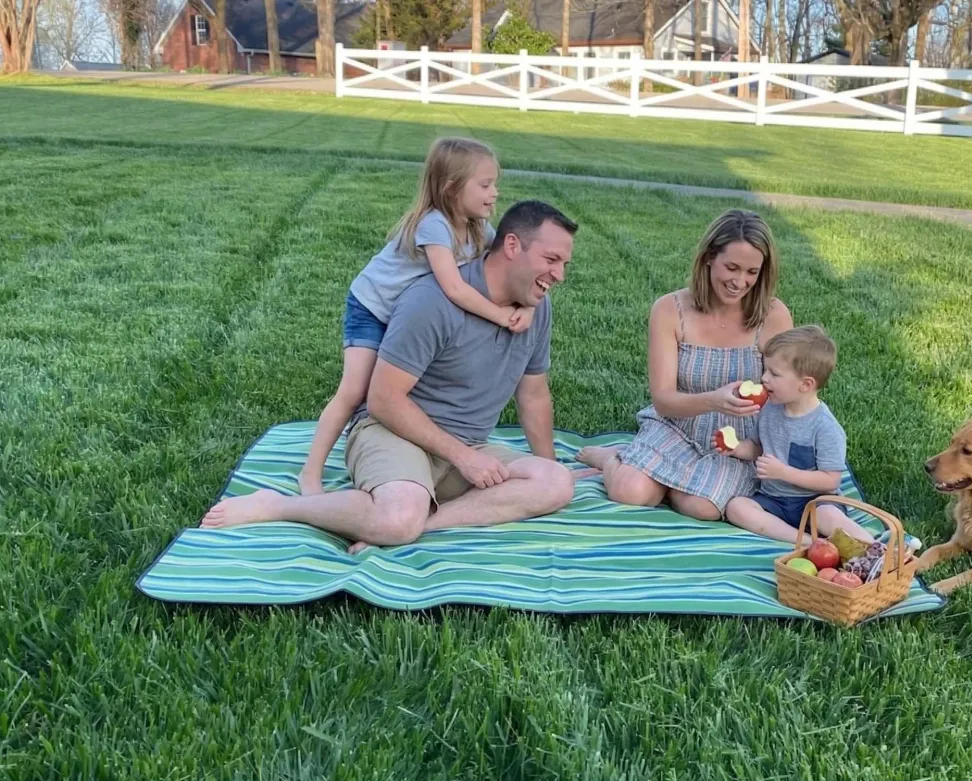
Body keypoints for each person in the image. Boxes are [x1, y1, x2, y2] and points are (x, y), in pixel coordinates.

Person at [201, 200, 578, 552]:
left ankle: (419, 524)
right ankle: (279, 506)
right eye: (551, 259)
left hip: (468, 449)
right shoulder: (432, 302)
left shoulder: (536, 310)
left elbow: (533, 397)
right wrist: (462, 457)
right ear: (511, 246)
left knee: (557, 482)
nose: (558, 275)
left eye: (564, 264)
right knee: (399, 517)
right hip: (395, 434)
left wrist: (545, 465)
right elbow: (383, 400)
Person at [299, 137, 536, 495]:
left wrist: (528, 305)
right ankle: (311, 473)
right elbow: (454, 288)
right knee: (354, 390)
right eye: (485, 185)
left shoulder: (478, 228)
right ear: (451, 187)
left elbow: (510, 264)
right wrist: (502, 317)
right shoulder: (434, 225)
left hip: (406, 316)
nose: (495, 193)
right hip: (374, 308)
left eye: (495, 184)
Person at [577, 209, 794, 520]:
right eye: (731, 267)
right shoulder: (670, 309)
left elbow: (786, 392)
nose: (739, 281)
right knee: (631, 492)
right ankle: (612, 458)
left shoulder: (773, 315)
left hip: (737, 438)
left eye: (751, 272)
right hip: (677, 424)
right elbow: (663, 401)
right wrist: (714, 400)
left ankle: (663, 477)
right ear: (708, 257)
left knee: (702, 507)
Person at [722, 325, 875, 545]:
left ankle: (873, 547)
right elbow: (759, 447)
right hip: (773, 499)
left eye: (774, 374)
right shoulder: (769, 409)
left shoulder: (825, 427)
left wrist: (783, 472)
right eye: (765, 370)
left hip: (814, 501)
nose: (764, 378)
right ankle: (805, 541)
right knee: (737, 507)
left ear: (806, 384)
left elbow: (830, 480)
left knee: (827, 516)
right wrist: (736, 448)